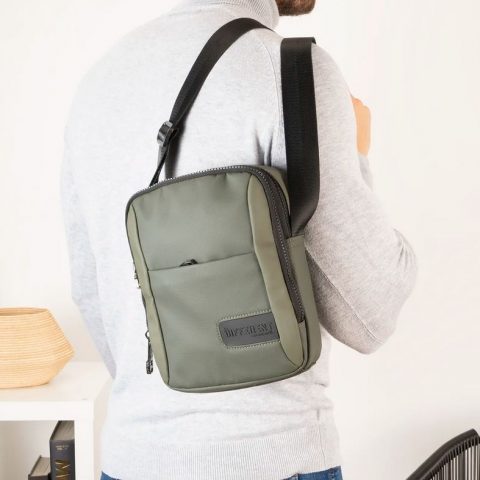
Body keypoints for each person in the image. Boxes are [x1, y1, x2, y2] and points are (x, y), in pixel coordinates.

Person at [60, 0, 418, 478]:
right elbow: (371, 316)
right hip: (269, 457)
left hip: (131, 458)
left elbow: (92, 294)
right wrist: (358, 154)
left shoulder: (97, 84)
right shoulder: (290, 70)